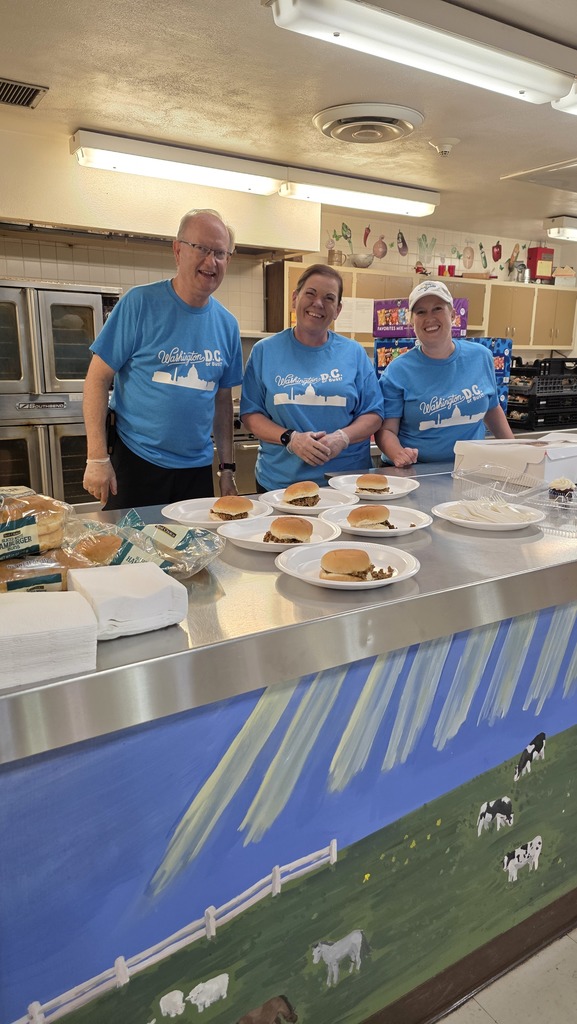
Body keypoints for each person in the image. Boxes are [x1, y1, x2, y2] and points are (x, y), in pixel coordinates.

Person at [82, 208, 242, 509]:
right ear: (178, 250)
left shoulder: (227, 325)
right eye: (202, 249)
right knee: (130, 540)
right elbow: (97, 379)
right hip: (137, 461)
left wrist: (227, 469)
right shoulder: (139, 304)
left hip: (196, 470)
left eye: (220, 253)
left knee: (193, 541)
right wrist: (97, 457)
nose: (211, 262)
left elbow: (223, 402)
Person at [240, 264, 383, 491]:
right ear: (295, 298)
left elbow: (374, 414)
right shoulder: (264, 351)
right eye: (310, 293)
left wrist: (342, 437)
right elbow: (251, 414)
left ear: (337, 310)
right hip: (280, 485)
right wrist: (291, 439)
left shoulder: (354, 353)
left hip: (345, 483)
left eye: (329, 298)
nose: (318, 303)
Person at [375, 279, 514, 467]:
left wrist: (516, 451)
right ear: (412, 321)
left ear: (453, 314)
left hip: (469, 467)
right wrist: (398, 454)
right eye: (421, 312)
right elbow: (386, 431)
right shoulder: (398, 371)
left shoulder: (481, 357)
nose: (429, 317)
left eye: (437, 308)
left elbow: (491, 409)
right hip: (414, 469)